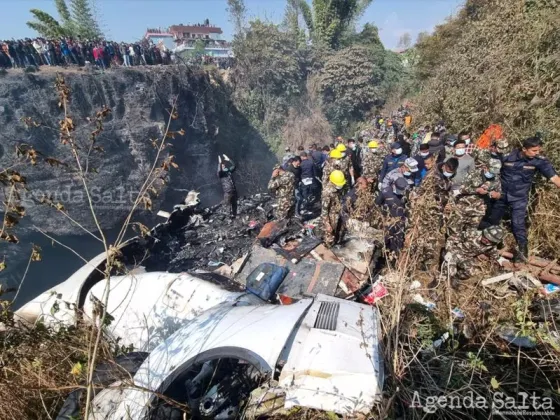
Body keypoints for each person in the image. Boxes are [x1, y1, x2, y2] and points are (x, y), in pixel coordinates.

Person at [486, 136, 560, 261]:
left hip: (519, 198)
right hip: (501, 195)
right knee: (493, 220)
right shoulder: (508, 155)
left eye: (538, 151)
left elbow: (554, 178)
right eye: (534, 151)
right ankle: (495, 245)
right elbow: (492, 168)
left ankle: (522, 252)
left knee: (517, 224)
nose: (537, 153)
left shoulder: (539, 161)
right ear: (524, 149)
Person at [447, 156, 502, 238]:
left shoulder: (496, 178)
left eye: (494, 173)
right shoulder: (473, 174)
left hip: (479, 210)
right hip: (464, 207)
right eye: (491, 171)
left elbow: (499, 194)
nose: (492, 174)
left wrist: (497, 195)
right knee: (455, 229)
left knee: (471, 234)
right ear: (485, 167)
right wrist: (476, 190)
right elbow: (462, 188)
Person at [380, 177, 409, 255]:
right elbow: (377, 204)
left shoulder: (406, 193)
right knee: (386, 242)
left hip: (400, 223)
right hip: (388, 222)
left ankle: (395, 259)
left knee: (398, 244)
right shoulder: (385, 192)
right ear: (393, 185)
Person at [321, 170, 346, 248]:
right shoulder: (327, 192)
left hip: (335, 213)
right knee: (329, 234)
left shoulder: (335, 189)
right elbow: (324, 210)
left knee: (335, 231)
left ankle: (334, 242)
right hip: (330, 216)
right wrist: (327, 223)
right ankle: (328, 247)